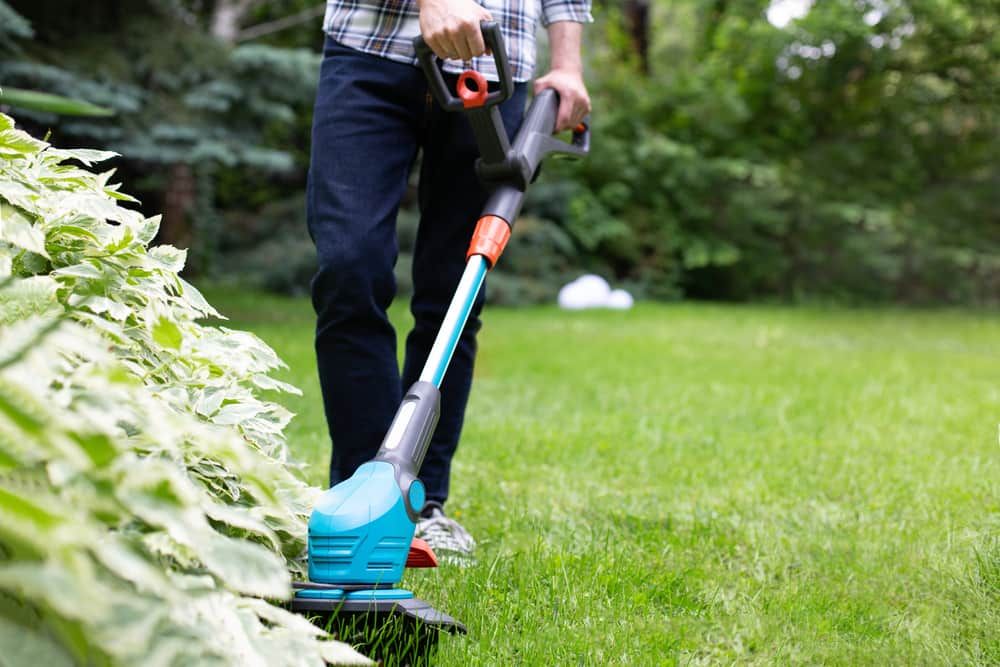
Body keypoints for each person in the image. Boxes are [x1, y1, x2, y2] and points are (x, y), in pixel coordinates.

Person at [307, 0, 591, 561]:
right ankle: (362, 496)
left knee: (456, 296)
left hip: (492, 68)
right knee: (348, 268)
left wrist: (568, 63)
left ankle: (420, 502)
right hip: (369, 48)